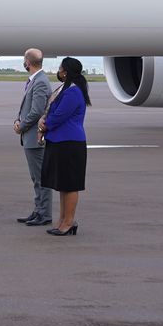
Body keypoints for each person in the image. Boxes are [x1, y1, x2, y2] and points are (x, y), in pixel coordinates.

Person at [38, 57, 90, 236]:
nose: (58, 71)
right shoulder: (65, 89)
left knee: (70, 184)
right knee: (63, 185)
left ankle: (68, 222)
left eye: (60, 68)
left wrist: (43, 126)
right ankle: (63, 220)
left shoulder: (72, 92)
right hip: (59, 142)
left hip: (69, 143)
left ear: (66, 71)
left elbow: (59, 115)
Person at [14, 48, 52, 226]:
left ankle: (44, 214)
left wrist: (21, 127)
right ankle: (38, 211)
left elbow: (36, 111)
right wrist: (17, 120)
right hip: (29, 137)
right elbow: (27, 107)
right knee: (36, 178)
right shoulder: (35, 80)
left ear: (27, 62)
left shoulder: (41, 82)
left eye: (24, 59)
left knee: (41, 178)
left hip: (35, 138)